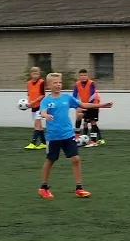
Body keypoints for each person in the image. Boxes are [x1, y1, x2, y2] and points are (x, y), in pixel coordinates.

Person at [36, 71, 111, 199]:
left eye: (60, 82)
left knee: (76, 159)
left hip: (68, 134)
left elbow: (83, 104)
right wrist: (46, 115)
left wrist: (101, 105)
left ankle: (79, 188)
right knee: (50, 160)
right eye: (55, 83)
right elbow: (42, 111)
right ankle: (43, 187)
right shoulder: (46, 100)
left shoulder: (67, 98)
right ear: (48, 85)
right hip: (53, 136)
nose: (58, 85)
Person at [72, 68, 104, 146]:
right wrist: (76, 105)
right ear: (79, 76)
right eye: (81, 75)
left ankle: (94, 141)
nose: (83, 77)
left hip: (94, 104)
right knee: (82, 118)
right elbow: (74, 95)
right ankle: (78, 135)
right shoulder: (77, 84)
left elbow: (93, 95)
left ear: (87, 76)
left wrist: (88, 105)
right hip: (85, 104)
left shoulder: (91, 83)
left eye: (84, 75)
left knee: (92, 121)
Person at [25, 67, 47, 150]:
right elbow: (29, 94)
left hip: (40, 106)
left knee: (36, 124)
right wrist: (29, 103)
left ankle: (33, 143)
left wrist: (33, 102)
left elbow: (42, 95)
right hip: (33, 106)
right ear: (31, 74)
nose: (35, 75)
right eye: (34, 73)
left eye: (37, 74)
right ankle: (43, 143)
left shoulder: (41, 82)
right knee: (39, 126)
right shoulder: (29, 83)